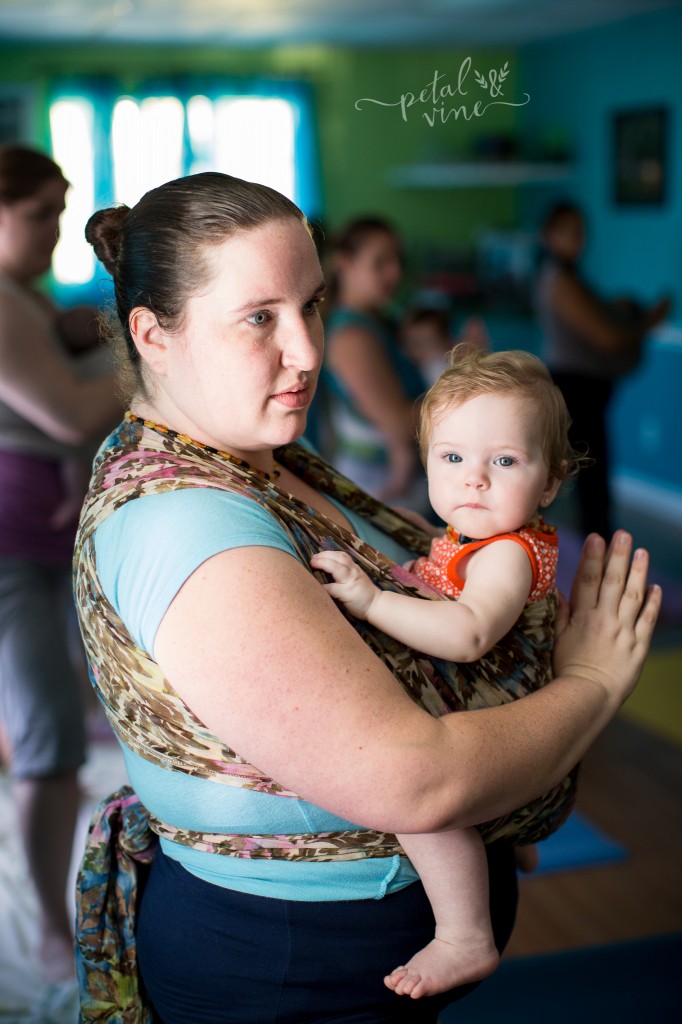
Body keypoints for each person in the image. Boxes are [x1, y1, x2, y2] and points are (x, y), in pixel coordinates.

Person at [73, 171, 660, 1024]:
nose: (309, 351)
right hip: (295, 969)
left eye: (312, 305)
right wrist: (593, 681)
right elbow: (414, 786)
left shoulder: (260, 454)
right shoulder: (187, 524)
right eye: (259, 317)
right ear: (154, 334)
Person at [311, 346, 580, 999]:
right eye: (452, 458)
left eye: (505, 461)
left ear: (550, 483)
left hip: (491, 700)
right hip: (496, 700)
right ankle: (508, 832)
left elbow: (467, 634)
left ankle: (465, 934)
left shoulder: (507, 555)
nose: (474, 480)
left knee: (412, 789)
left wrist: (375, 601)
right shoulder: (472, 538)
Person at [0, 144, 121, 984]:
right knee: (48, 745)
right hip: (11, 551)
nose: (54, 232)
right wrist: (157, 348)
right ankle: (49, 926)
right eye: (40, 214)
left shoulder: (23, 298)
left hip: (46, 544)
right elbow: (71, 410)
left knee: (62, 736)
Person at [535, 200, 670, 539]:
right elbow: (607, 339)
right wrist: (647, 321)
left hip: (583, 387)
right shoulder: (560, 281)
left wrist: (616, 307)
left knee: (585, 478)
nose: (577, 238)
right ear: (548, 236)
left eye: (580, 231)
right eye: (566, 231)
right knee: (589, 483)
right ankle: (594, 557)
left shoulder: (570, 278)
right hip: (576, 388)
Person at [321, 216, 427, 509]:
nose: (394, 273)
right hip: (382, 490)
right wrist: (466, 391)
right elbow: (401, 423)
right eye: (380, 263)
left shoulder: (381, 320)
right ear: (345, 263)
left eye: (397, 262)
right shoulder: (352, 337)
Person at [401, 307, 489, 388]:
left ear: (447, 342)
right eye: (415, 343)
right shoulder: (416, 368)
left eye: (429, 343)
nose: (420, 351)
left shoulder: (434, 365)